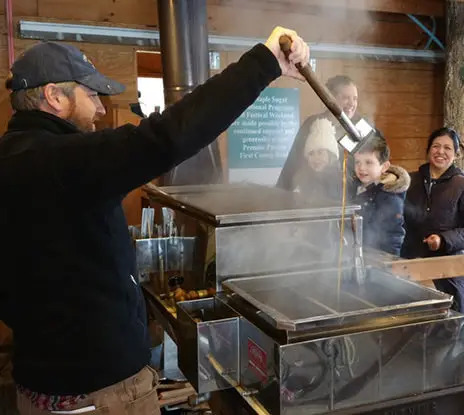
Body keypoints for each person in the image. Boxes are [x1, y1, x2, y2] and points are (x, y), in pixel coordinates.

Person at [0, 26, 309, 415]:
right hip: (97, 396)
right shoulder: (62, 161)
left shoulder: (14, 158)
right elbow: (166, 138)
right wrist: (264, 63)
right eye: (91, 94)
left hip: (40, 385)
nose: (99, 109)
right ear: (54, 96)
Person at [400, 127, 464, 358]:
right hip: (413, 263)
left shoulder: (463, 186)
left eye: (448, 148)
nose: (441, 152)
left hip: (449, 268)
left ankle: (458, 368)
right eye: (436, 146)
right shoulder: (411, 180)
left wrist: (444, 240)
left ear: (456, 154)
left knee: (451, 324)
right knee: (414, 325)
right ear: (428, 150)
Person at [276, 74, 360, 190]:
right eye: (346, 97)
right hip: (312, 194)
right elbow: (292, 163)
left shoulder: (360, 128)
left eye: (355, 98)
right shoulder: (312, 124)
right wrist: (281, 194)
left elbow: (377, 160)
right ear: (331, 98)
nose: (352, 103)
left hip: (348, 197)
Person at [352, 133, 409, 256]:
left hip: (378, 261)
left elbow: (393, 237)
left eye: (369, 162)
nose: (361, 168)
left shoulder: (390, 196)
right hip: (357, 255)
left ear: (384, 167)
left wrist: (388, 265)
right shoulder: (355, 188)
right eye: (357, 162)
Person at [292, 118, 343, 201]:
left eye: (320, 152)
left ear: (331, 155)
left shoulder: (341, 180)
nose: (316, 158)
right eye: (311, 153)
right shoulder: (301, 178)